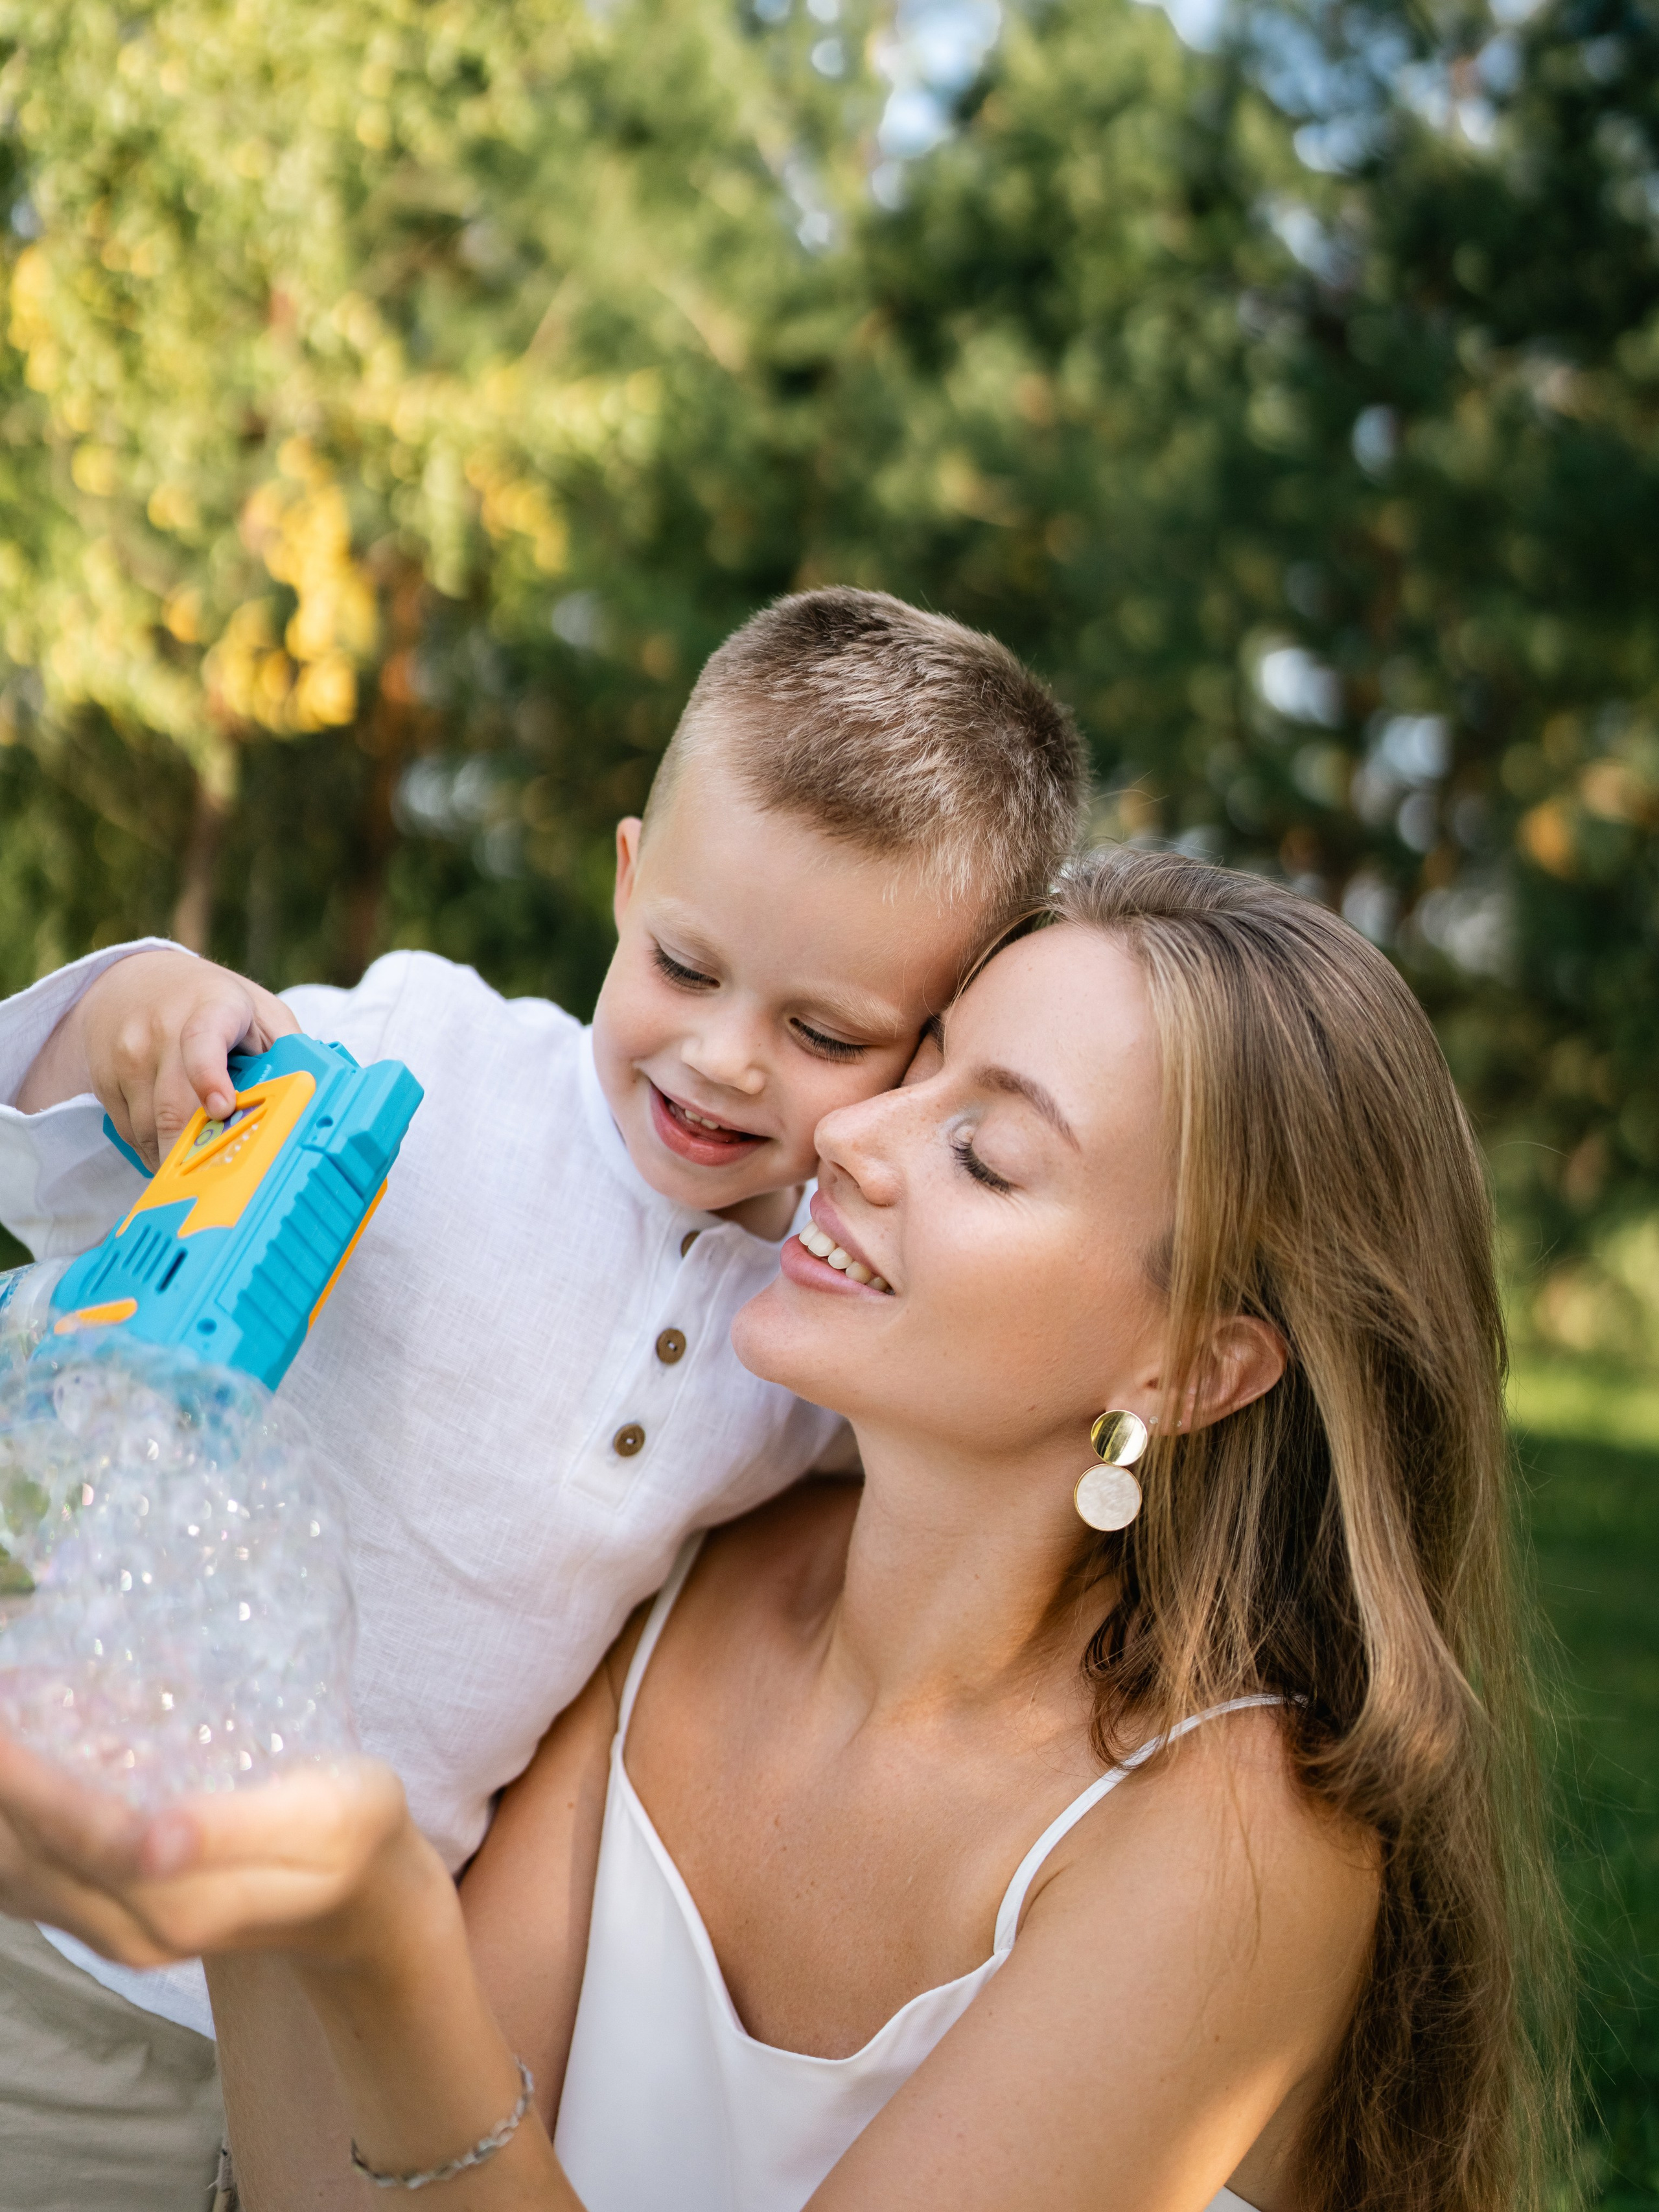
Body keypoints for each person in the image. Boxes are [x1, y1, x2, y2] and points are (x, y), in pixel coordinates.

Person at [0, 848, 1565, 2212]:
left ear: (1190, 1366)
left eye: (985, 1152)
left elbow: (393, 2047)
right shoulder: (693, 1581)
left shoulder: (1233, 1842)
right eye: (915, 1068)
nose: (848, 1139)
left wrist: (376, 1934)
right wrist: (252, 1802)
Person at [0, 587, 1085, 2207]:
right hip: (53, 1900)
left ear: (932, 1047)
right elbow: (89, 1144)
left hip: (313, 2029)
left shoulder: (820, 1323)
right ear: (631, 877)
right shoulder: (431, 1059)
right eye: (684, 964)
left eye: (822, 1031)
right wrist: (137, 1016)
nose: (720, 1059)